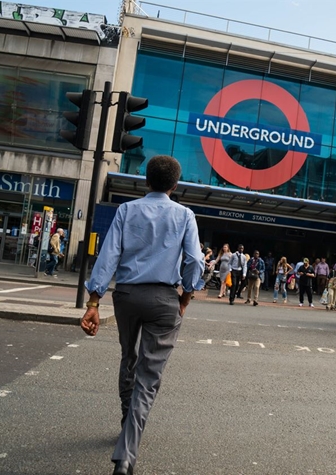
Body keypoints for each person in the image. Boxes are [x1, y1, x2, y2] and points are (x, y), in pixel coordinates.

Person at [79, 155, 204, 475]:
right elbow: (194, 260)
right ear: (175, 185)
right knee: (148, 378)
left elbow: (108, 256)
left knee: (128, 359)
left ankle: (126, 423)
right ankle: (126, 456)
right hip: (164, 299)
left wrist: (93, 303)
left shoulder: (126, 210)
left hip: (128, 296)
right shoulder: (185, 215)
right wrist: (186, 296)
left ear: (146, 181)